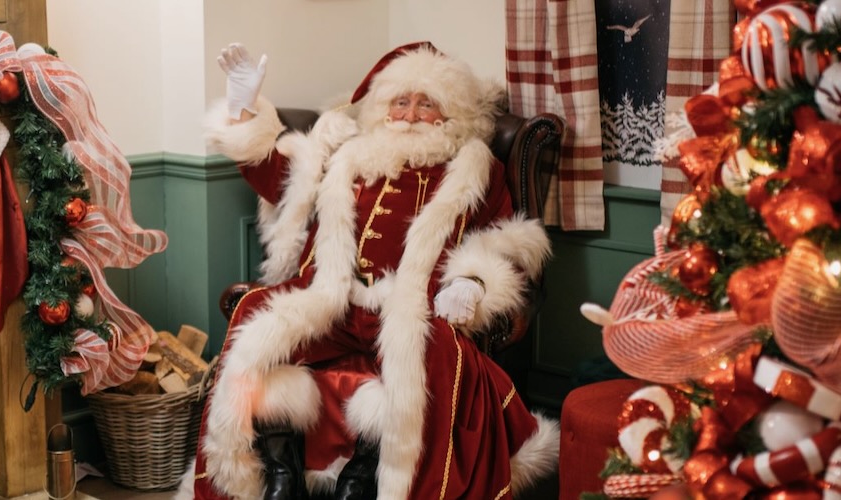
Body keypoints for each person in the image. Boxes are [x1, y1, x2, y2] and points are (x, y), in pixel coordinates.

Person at [177, 42, 560, 500]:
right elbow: (277, 179)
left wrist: (471, 284)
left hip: (407, 305)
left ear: (450, 113)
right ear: (383, 108)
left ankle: (368, 471)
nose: (410, 113)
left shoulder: (472, 169)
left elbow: (503, 241)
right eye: (400, 101)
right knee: (256, 314)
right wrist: (243, 108)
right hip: (333, 300)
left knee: (436, 348)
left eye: (426, 102)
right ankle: (276, 470)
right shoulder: (346, 159)